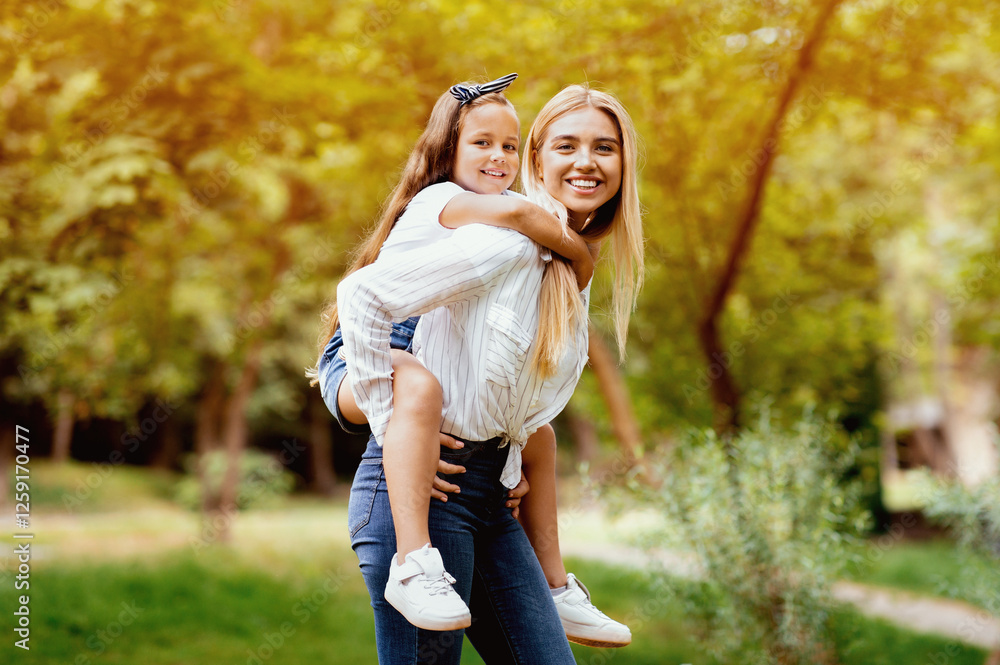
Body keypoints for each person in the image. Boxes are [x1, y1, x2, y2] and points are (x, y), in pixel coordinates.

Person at [332, 81, 643, 664]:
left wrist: (509, 456)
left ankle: (557, 587)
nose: (586, 162)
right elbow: (363, 298)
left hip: (494, 505)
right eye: (567, 146)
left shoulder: (561, 258)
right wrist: (389, 427)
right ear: (537, 159)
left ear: (626, 162)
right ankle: (413, 562)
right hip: (430, 495)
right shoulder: (508, 242)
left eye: (605, 148)